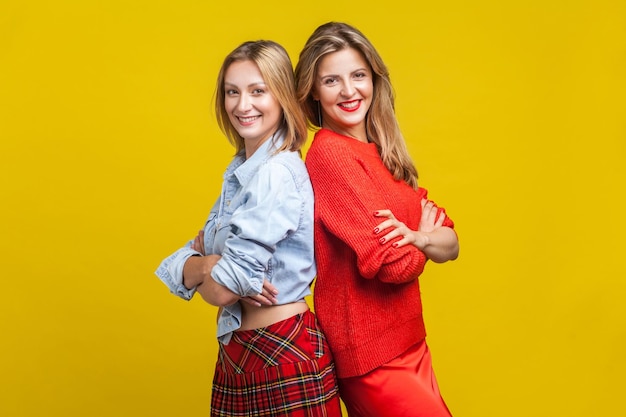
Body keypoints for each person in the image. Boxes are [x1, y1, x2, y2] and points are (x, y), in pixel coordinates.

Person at [155, 40, 342, 417]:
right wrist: (207, 264)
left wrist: (205, 266)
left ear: (282, 97)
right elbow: (189, 262)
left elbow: (223, 289)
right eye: (232, 92)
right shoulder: (242, 173)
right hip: (238, 358)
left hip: (281, 352)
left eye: (258, 91)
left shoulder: (275, 173)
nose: (243, 105)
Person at [294, 22, 460, 417]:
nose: (349, 91)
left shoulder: (382, 152)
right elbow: (391, 264)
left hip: (409, 340)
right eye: (331, 80)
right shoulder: (331, 155)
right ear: (313, 91)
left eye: (358, 75)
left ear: (374, 79)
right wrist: (424, 237)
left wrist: (419, 239)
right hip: (372, 355)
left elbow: (451, 242)